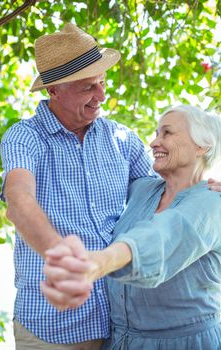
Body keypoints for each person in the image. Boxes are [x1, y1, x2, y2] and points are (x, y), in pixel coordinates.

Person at [0, 23, 158, 350]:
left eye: (102, 82)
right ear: (53, 90)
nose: (101, 95)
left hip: (119, 325)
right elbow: (19, 199)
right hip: (50, 328)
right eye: (88, 87)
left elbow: (160, 195)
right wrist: (63, 258)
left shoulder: (122, 138)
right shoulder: (25, 137)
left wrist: (201, 189)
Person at [42, 105, 221, 350]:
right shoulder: (143, 189)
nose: (154, 142)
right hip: (120, 341)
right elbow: (92, 181)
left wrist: (98, 262)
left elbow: (161, 238)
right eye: (157, 133)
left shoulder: (211, 202)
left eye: (167, 133)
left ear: (202, 146)